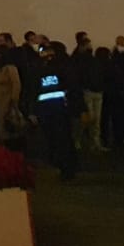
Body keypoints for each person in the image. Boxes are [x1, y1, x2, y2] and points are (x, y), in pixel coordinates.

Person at [33, 42, 78, 180]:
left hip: (53, 109)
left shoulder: (47, 68)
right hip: (56, 109)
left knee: (59, 139)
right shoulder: (58, 67)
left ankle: (65, 167)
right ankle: (65, 166)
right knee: (60, 139)